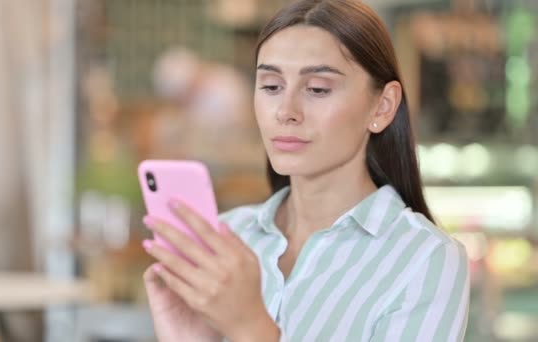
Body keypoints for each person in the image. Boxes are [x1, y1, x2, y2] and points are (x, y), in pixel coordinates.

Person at [140, 0, 470, 341]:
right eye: (271, 86)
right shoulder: (225, 240)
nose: (286, 111)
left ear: (382, 106)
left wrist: (250, 328)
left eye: (317, 89)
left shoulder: (424, 259)